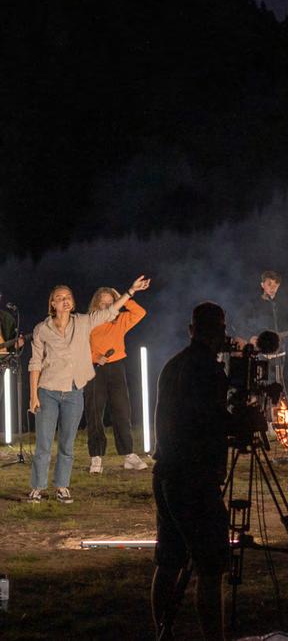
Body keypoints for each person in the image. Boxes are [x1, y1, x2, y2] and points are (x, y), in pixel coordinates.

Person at [27, 275, 150, 503]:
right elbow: (35, 363)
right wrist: (33, 395)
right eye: (59, 298)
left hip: (74, 391)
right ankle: (38, 487)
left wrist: (130, 291)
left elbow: (110, 312)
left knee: (67, 443)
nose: (65, 301)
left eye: (68, 297)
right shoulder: (41, 329)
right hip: (48, 390)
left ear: (72, 302)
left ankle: (62, 486)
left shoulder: (83, 322)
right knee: (44, 443)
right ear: (52, 303)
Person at [151, 300, 231, 641]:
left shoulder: (173, 365)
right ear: (221, 333)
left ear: (191, 331)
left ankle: (162, 632)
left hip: (167, 471)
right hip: (195, 479)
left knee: (169, 561)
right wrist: (241, 421)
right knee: (211, 567)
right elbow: (209, 421)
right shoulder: (210, 371)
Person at [85, 284, 149, 473]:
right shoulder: (89, 322)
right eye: (102, 302)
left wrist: (124, 297)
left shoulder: (120, 319)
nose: (106, 306)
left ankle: (128, 454)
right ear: (96, 304)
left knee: (122, 411)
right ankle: (96, 457)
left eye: (110, 302)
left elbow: (140, 312)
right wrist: (94, 357)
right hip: (94, 369)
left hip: (117, 367)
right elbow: (79, 347)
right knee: (94, 413)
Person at [245, 269, 288, 394]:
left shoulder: (283, 304)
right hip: (259, 352)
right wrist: (250, 337)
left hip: (279, 352)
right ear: (262, 285)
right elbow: (240, 322)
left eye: (275, 285)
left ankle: (277, 407)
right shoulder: (253, 303)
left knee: (278, 384)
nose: (272, 287)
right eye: (269, 284)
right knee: (259, 383)